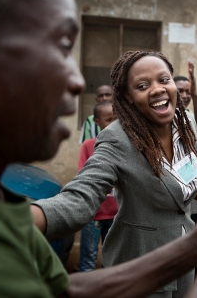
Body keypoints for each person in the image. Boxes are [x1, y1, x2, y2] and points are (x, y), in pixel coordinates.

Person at [0, 0, 197, 297]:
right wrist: (23, 222)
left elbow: (187, 183)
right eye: (142, 86)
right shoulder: (117, 138)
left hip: (184, 257)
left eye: (164, 79)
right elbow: (80, 200)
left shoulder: (186, 127)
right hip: (138, 259)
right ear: (128, 97)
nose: (158, 90)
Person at [78, 101, 117, 272]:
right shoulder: (88, 145)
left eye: (116, 119)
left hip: (117, 215)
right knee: (88, 261)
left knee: (112, 262)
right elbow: (82, 175)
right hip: (93, 214)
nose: (113, 123)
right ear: (96, 121)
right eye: (108, 119)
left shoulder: (124, 145)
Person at [174, 61, 197, 224]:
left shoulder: (192, 117)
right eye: (180, 91)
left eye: (188, 91)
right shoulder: (161, 118)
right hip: (173, 192)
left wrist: (195, 95)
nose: (185, 95)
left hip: (195, 196)